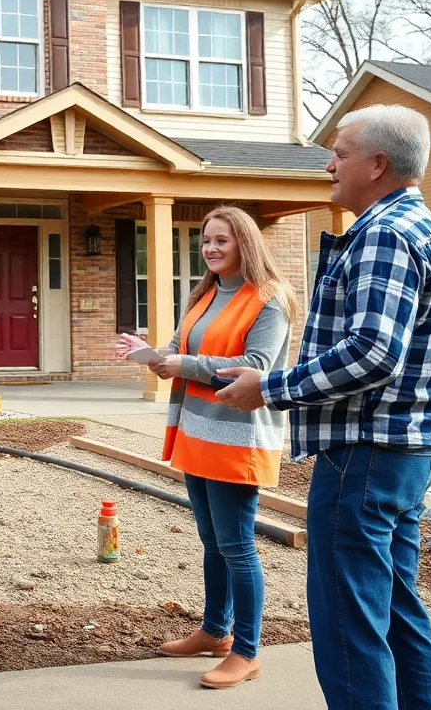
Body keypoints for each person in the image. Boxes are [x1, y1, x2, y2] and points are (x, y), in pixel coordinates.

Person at [217, 104, 431, 710]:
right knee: (396, 607)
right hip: (407, 453)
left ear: (378, 164)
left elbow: (374, 353)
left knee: (347, 621)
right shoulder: (426, 228)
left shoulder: (384, 233)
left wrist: (268, 388)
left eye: (340, 152)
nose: (329, 163)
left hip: (366, 455)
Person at [118, 206, 295, 689]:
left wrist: (184, 363)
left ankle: (246, 650)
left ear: (246, 245)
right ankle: (215, 631)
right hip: (198, 431)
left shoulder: (269, 299)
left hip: (237, 436)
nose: (211, 248)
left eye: (222, 240)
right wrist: (153, 355)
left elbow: (254, 363)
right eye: (206, 240)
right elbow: (180, 347)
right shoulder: (206, 292)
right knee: (212, 542)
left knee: (238, 548)